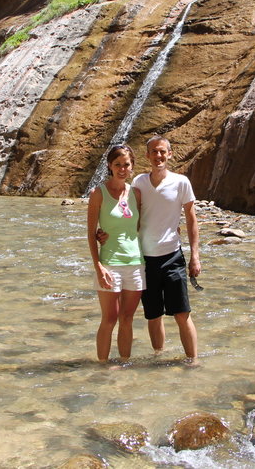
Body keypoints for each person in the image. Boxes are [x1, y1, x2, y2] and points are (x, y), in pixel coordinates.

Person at [132, 135, 201, 363]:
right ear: (148, 156)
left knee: (182, 313)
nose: (158, 156)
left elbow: (191, 220)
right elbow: (128, 216)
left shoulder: (181, 182)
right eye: (154, 152)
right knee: (153, 315)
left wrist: (195, 257)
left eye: (162, 151)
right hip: (145, 259)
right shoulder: (139, 183)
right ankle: (158, 358)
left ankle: (193, 362)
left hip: (173, 256)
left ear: (169, 154)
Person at [87, 144, 144, 363]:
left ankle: (124, 363)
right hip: (109, 263)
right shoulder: (97, 194)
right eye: (117, 165)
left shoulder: (136, 194)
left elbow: (139, 227)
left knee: (127, 318)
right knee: (109, 319)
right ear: (110, 166)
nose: (122, 169)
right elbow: (90, 233)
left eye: (126, 165)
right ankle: (102, 364)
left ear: (132, 167)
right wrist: (98, 267)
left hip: (136, 263)